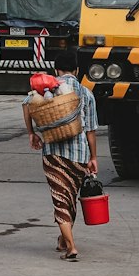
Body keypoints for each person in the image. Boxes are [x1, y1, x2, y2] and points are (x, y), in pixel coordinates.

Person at [23, 69, 98, 261]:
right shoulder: (85, 92)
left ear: (57, 70)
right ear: (77, 70)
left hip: (53, 154)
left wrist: (31, 133)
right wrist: (93, 157)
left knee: (60, 199)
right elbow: (90, 129)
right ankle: (64, 240)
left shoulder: (46, 89)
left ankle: (70, 246)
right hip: (79, 155)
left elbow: (26, 104)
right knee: (70, 198)